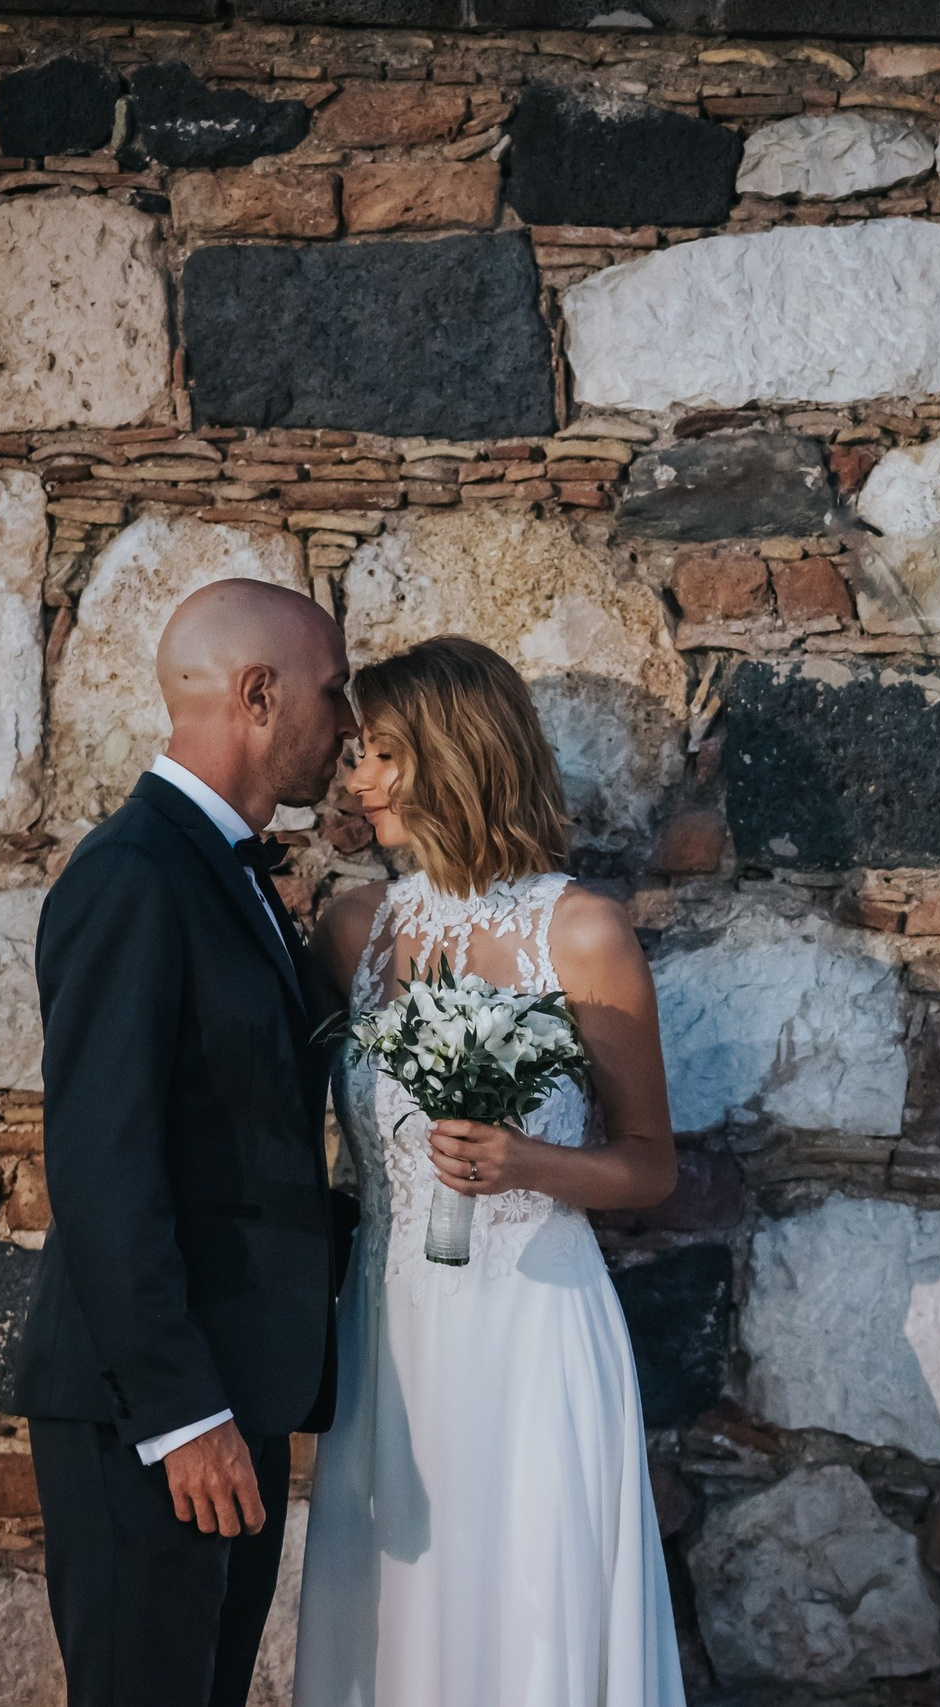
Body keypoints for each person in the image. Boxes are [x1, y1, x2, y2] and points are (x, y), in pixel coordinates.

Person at [293, 635, 686, 1707]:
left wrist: (531, 1162)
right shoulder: (354, 931)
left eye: (383, 753)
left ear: (456, 753)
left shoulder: (584, 933)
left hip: (533, 1332)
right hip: (389, 1336)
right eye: (356, 755)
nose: (358, 780)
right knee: (393, 1620)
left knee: (528, 1613)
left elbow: (651, 1167)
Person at [18, 580, 359, 1707]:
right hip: (154, 1410)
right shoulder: (133, 875)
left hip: (233, 1386)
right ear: (259, 696)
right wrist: (181, 1417)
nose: (348, 721)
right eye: (333, 691)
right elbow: (103, 1168)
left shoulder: (227, 871)